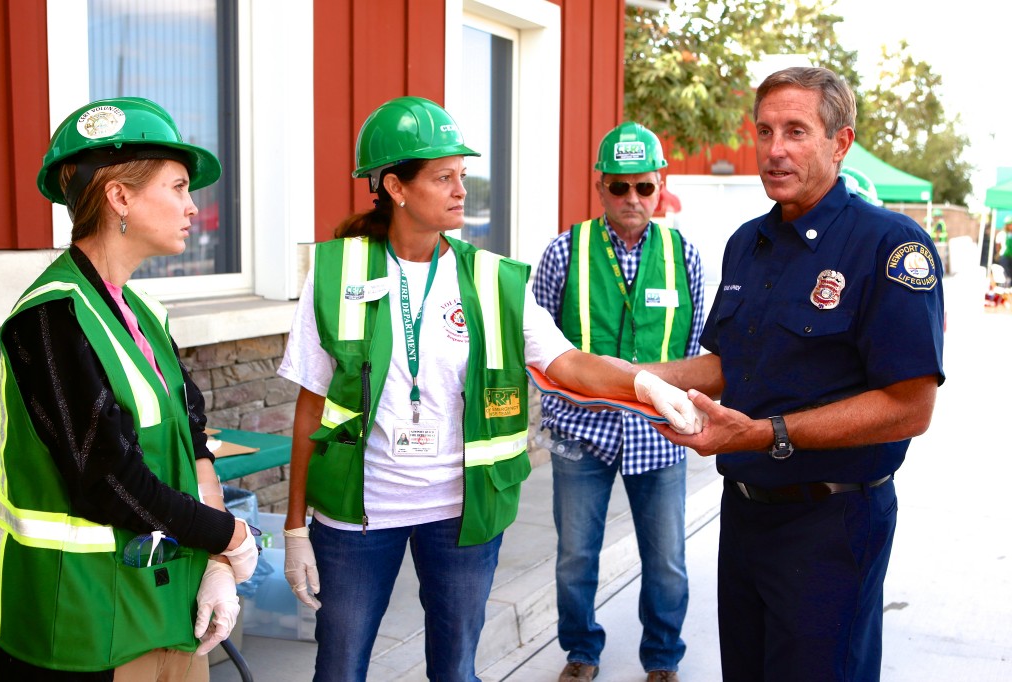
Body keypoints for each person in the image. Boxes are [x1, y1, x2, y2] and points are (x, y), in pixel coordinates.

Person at [276, 96, 704, 682]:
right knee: (340, 669)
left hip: (462, 515)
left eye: (463, 176)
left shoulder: (491, 278)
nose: (461, 190)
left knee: (456, 672)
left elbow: (568, 362)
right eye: (444, 177)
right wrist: (295, 525)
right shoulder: (336, 273)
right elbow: (310, 407)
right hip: (357, 519)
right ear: (396, 187)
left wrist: (643, 383)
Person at [646, 67, 945, 681]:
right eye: (763, 130)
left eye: (796, 131)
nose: (774, 149)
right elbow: (727, 365)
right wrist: (628, 377)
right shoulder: (746, 244)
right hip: (747, 517)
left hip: (831, 524)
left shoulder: (890, 247)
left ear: (840, 143)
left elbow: (910, 408)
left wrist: (765, 433)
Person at [0, 97, 260, 680]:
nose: (193, 207)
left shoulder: (143, 311)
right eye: (180, 187)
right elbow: (106, 479)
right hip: (82, 625)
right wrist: (232, 535)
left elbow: (192, 435)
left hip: (163, 608)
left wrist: (215, 558)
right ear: (120, 198)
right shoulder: (51, 319)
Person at [532, 122, 705, 682]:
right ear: (600, 186)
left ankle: (662, 660)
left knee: (667, 564)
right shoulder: (564, 252)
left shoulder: (685, 256)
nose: (632, 199)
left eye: (644, 188)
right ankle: (581, 653)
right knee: (576, 558)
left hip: (660, 436)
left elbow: (696, 345)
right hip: (583, 434)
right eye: (619, 187)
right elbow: (539, 344)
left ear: (662, 184)